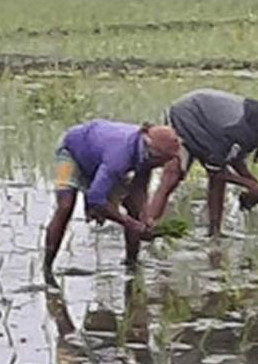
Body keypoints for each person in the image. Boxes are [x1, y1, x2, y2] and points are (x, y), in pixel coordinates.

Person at [145, 89, 258, 236]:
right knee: (173, 176)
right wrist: (249, 184)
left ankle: (214, 231)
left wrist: (256, 185)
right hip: (187, 115)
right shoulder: (242, 130)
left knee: (217, 177)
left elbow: (235, 159)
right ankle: (148, 226)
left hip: (209, 124)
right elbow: (217, 171)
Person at [43, 119, 181, 285]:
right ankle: (47, 269)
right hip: (72, 151)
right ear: (154, 153)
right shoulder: (120, 156)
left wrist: (144, 219)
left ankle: (132, 265)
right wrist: (130, 224)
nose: (164, 166)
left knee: (134, 210)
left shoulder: (146, 157)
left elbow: (139, 191)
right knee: (65, 205)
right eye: (164, 161)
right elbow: (96, 199)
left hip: (100, 158)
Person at [46, 281, 181, 364]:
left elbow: (100, 348)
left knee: (77, 336)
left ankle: (51, 289)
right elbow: (139, 344)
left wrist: (64, 321)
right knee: (136, 334)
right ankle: (127, 286)